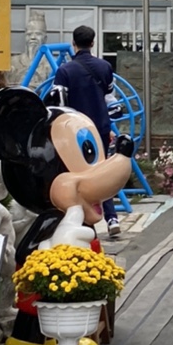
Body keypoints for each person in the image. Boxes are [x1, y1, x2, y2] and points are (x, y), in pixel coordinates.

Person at [52, 25, 122, 237]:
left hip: (73, 132)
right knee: (101, 172)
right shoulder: (104, 67)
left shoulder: (65, 71)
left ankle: (79, 222)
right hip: (100, 127)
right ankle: (111, 218)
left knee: (76, 175)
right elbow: (110, 99)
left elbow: (58, 103)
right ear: (92, 43)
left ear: (73, 43)